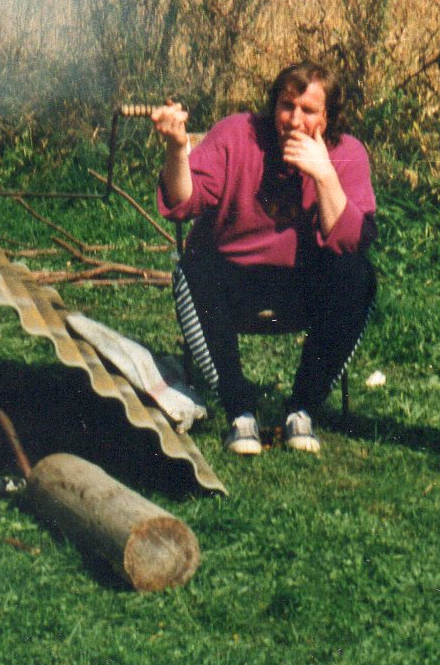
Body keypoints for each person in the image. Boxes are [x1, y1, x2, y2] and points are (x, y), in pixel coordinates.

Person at [152, 62, 377, 456]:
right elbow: (184, 200)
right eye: (286, 106)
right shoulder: (238, 134)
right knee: (193, 269)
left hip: (303, 281)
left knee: (357, 274)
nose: (293, 120)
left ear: (328, 116)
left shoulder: (347, 153)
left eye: (308, 111)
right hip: (235, 276)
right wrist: (176, 149)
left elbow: (351, 240)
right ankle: (240, 410)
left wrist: (324, 176)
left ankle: (302, 408)